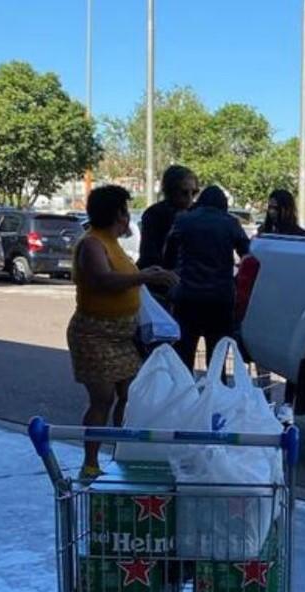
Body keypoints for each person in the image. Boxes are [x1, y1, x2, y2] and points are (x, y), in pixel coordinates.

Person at [67, 185, 178, 478]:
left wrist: (146, 273)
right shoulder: (92, 243)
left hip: (122, 336)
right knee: (103, 399)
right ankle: (90, 463)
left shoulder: (113, 243)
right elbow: (103, 280)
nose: (128, 217)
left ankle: (123, 451)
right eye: (125, 211)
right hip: (94, 334)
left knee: (131, 395)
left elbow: (124, 277)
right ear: (117, 214)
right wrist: (145, 276)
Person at [164, 185, 251, 370]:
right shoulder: (231, 223)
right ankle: (215, 395)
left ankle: (185, 394)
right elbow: (247, 254)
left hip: (187, 297)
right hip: (220, 298)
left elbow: (168, 254)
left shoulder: (183, 221)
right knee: (217, 358)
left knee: (184, 355)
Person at [138, 164, 199, 271]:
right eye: (184, 193)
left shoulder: (198, 212)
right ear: (171, 191)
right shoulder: (154, 214)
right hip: (161, 278)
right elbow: (149, 255)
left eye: (194, 192)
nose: (190, 198)